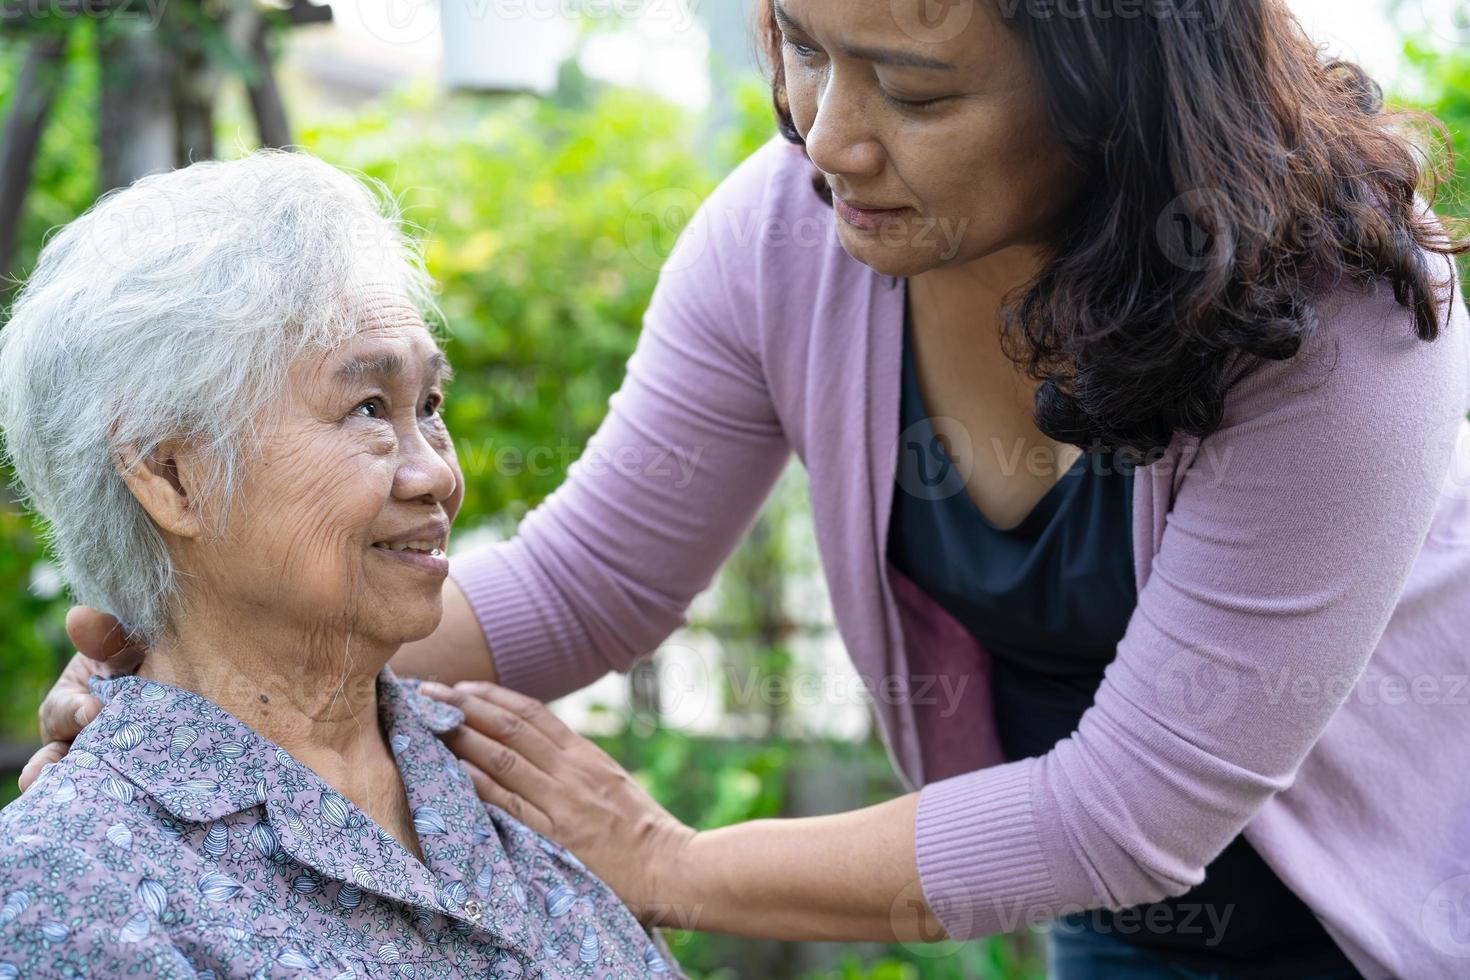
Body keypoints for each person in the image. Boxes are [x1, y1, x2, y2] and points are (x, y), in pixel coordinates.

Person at [26, 1, 1470, 977]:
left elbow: (1126, 807)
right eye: (796, 41)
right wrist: (196, 671)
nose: (829, 135)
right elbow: (586, 586)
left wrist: (667, 864)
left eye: (912, 87)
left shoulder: (1332, 310)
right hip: (1117, 918)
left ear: (1111, 83)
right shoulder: (791, 238)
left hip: (1396, 915)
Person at [0, 151, 681, 978]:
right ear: (171, 475)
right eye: (366, 408)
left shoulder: (520, 785)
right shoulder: (73, 883)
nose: (437, 473)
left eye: (429, 407)